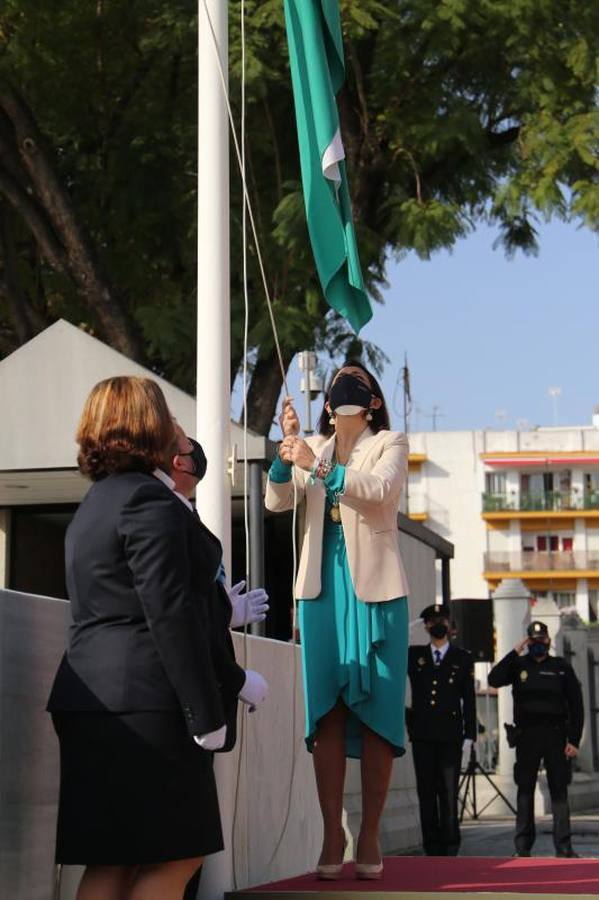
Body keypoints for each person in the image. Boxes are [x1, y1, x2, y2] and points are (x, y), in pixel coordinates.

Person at [47, 376, 268, 900]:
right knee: (178, 853)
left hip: (90, 700)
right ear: (148, 425)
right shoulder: (150, 502)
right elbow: (169, 615)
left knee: (112, 860)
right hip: (145, 705)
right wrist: (206, 714)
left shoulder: (97, 502)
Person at [265, 361, 409, 880]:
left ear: (373, 403)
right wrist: (285, 454)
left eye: (358, 382)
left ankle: (369, 831)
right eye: (339, 383)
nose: (346, 384)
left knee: (378, 709)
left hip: (377, 590)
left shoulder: (390, 442)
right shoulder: (313, 446)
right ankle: (332, 831)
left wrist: (320, 467)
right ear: (326, 405)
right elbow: (277, 500)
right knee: (326, 709)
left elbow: (379, 491)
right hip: (321, 588)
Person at [488, 620, 583, 859]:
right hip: (527, 736)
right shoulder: (519, 665)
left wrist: (574, 740)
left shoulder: (561, 667)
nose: (538, 644)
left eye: (542, 640)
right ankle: (522, 847)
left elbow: (577, 705)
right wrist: (515, 651)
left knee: (559, 790)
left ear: (548, 641)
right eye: (533, 640)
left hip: (555, 736)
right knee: (525, 789)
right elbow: (494, 679)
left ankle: (564, 847)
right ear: (528, 642)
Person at [406, 603, 476, 856]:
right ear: (425, 626)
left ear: (449, 625)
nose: (438, 625)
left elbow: (469, 699)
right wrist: (406, 630)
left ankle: (450, 844)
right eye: (432, 621)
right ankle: (431, 846)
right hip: (423, 735)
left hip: (450, 736)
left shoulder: (462, 658)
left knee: (448, 792)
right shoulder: (414, 655)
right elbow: (391, 653)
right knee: (426, 792)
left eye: (442, 621)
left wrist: (470, 736)